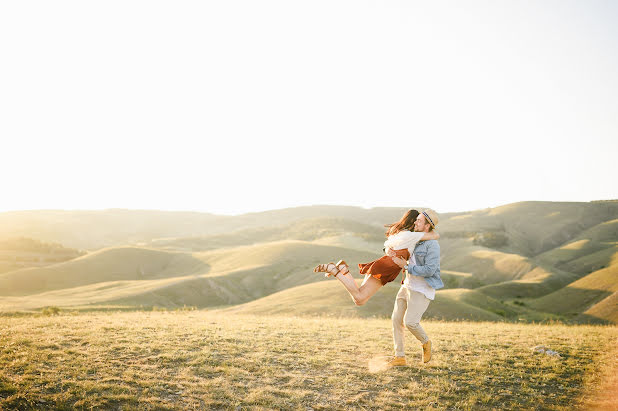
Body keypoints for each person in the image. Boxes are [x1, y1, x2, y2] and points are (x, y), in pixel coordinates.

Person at [313, 209, 439, 306]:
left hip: (384, 264)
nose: (417, 223)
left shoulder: (400, 233)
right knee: (360, 297)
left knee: (360, 300)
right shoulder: (410, 235)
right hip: (386, 268)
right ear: (412, 221)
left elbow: (386, 245)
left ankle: (343, 270)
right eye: (416, 220)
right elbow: (435, 235)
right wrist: (427, 226)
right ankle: (333, 270)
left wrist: (389, 250)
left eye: (419, 221)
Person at [387, 209, 443, 366]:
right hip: (407, 286)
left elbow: (429, 270)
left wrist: (406, 266)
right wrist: (393, 253)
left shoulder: (432, 245)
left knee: (410, 322)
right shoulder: (414, 238)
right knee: (396, 320)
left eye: (419, 220)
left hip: (422, 289)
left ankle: (426, 342)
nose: (415, 222)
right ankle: (400, 357)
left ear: (427, 226)